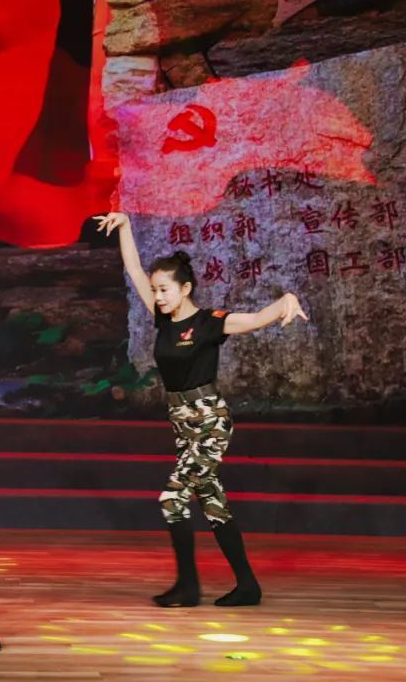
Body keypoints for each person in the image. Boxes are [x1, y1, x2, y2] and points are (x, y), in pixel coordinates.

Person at [94, 212, 308, 607]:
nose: (158, 297)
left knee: (173, 498)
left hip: (209, 421)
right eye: (155, 291)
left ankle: (188, 587)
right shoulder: (163, 320)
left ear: (186, 288)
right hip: (182, 424)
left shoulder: (210, 322)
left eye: (165, 290)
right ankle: (247, 586)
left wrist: (287, 300)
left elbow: (257, 318)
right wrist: (124, 227)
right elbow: (134, 269)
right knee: (212, 503)